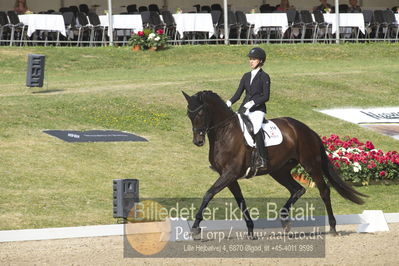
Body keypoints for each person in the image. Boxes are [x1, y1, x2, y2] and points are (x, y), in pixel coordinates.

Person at [226, 47, 270, 169]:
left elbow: (266, 96)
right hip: (244, 109)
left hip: (257, 110)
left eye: (254, 59)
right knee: (233, 128)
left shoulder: (264, 77)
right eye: (250, 59)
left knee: (255, 129)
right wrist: (228, 103)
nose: (251, 61)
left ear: (260, 61)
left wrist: (253, 103)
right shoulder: (246, 76)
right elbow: (238, 94)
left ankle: (262, 159)